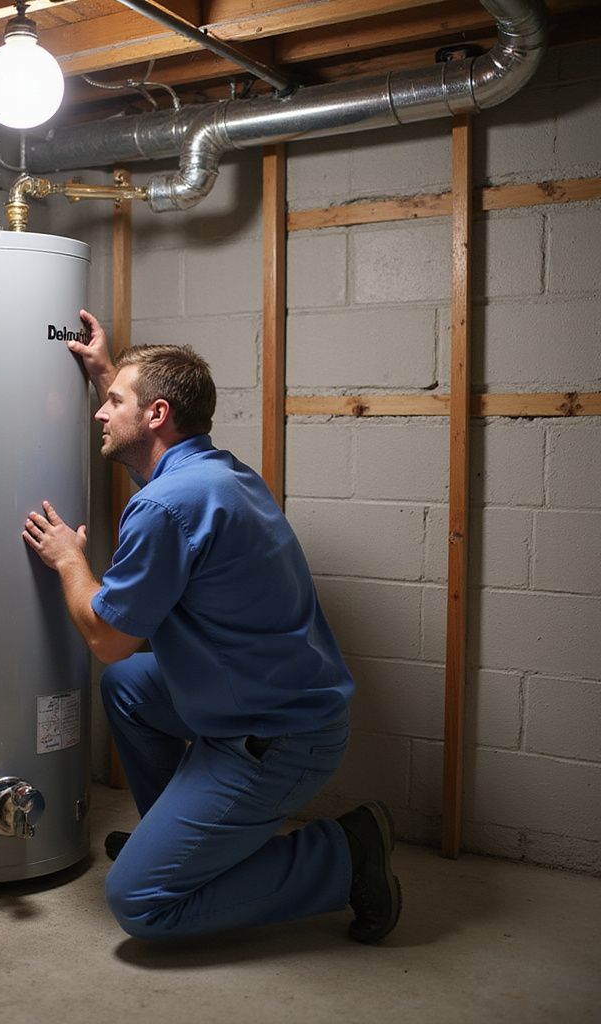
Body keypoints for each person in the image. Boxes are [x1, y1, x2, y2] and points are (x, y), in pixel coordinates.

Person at [22, 309, 401, 943]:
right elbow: (155, 461)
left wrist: (68, 560)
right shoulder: (216, 472)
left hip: (275, 740)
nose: (100, 412)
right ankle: (184, 836)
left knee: (140, 902)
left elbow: (109, 641)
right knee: (132, 691)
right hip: (270, 699)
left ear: (157, 414)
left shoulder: (168, 505)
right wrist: (107, 375)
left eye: (114, 402)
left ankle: (343, 856)